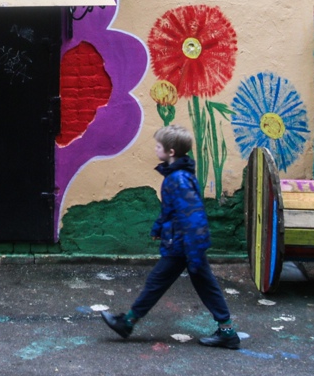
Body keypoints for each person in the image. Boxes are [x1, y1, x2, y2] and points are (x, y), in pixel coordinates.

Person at [100, 125, 241, 349]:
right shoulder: (177, 176)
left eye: (159, 146)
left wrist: (193, 253)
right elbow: (172, 210)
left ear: (171, 152)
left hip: (183, 246)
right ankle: (227, 331)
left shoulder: (178, 179)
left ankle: (127, 323)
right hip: (183, 243)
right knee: (202, 285)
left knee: (158, 283)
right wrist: (158, 228)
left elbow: (192, 217)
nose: (155, 149)